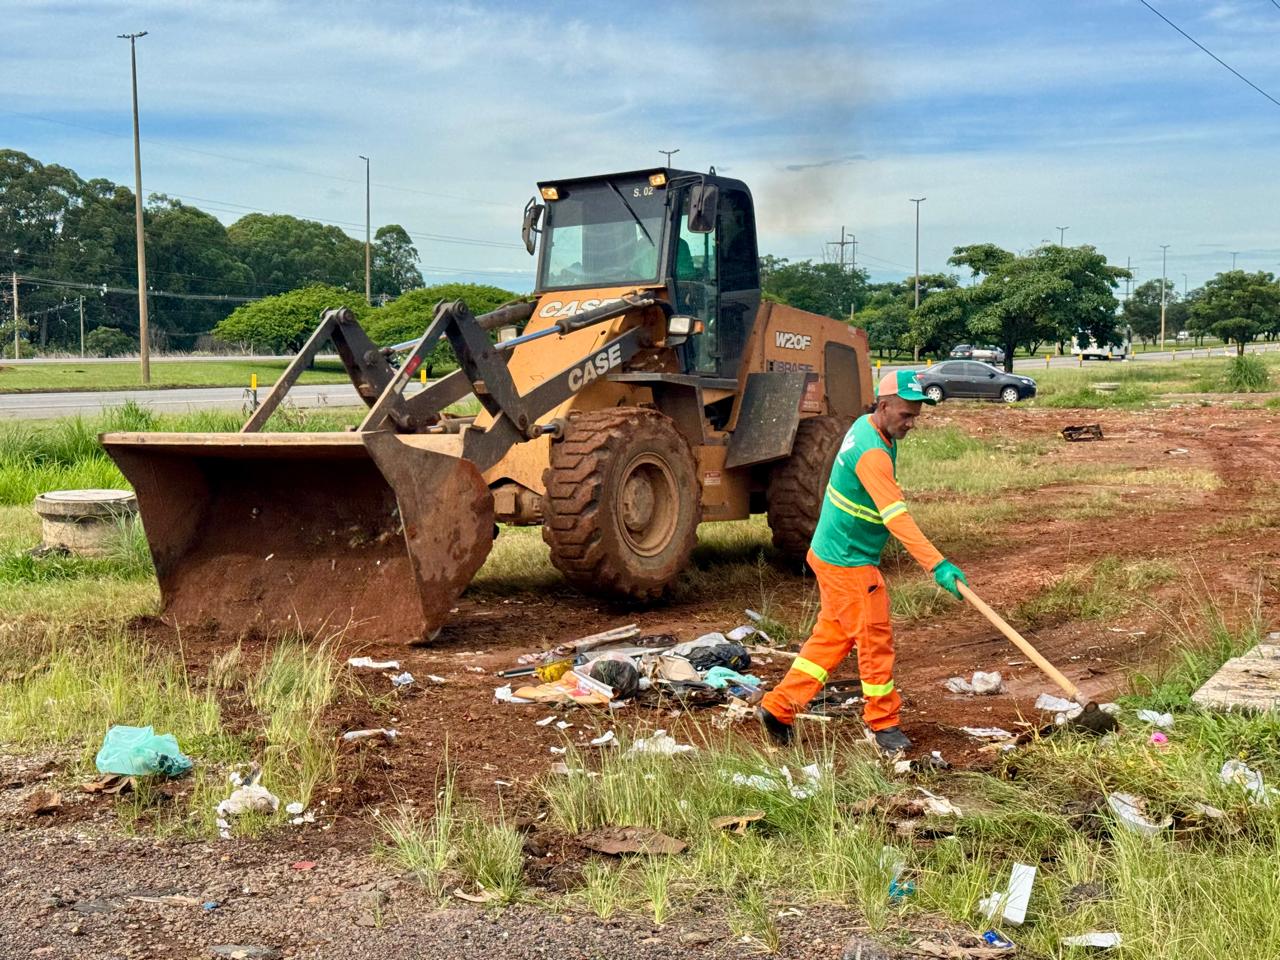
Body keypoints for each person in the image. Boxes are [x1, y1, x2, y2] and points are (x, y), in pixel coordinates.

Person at [757, 369, 967, 755]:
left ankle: (779, 708)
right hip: (849, 562)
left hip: (831, 553)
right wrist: (937, 566)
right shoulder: (872, 454)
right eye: (906, 415)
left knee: (832, 638)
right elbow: (897, 518)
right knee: (875, 639)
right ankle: (884, 725)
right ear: (883, 406)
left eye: (916, 416)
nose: (911, 423)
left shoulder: (867, 426)